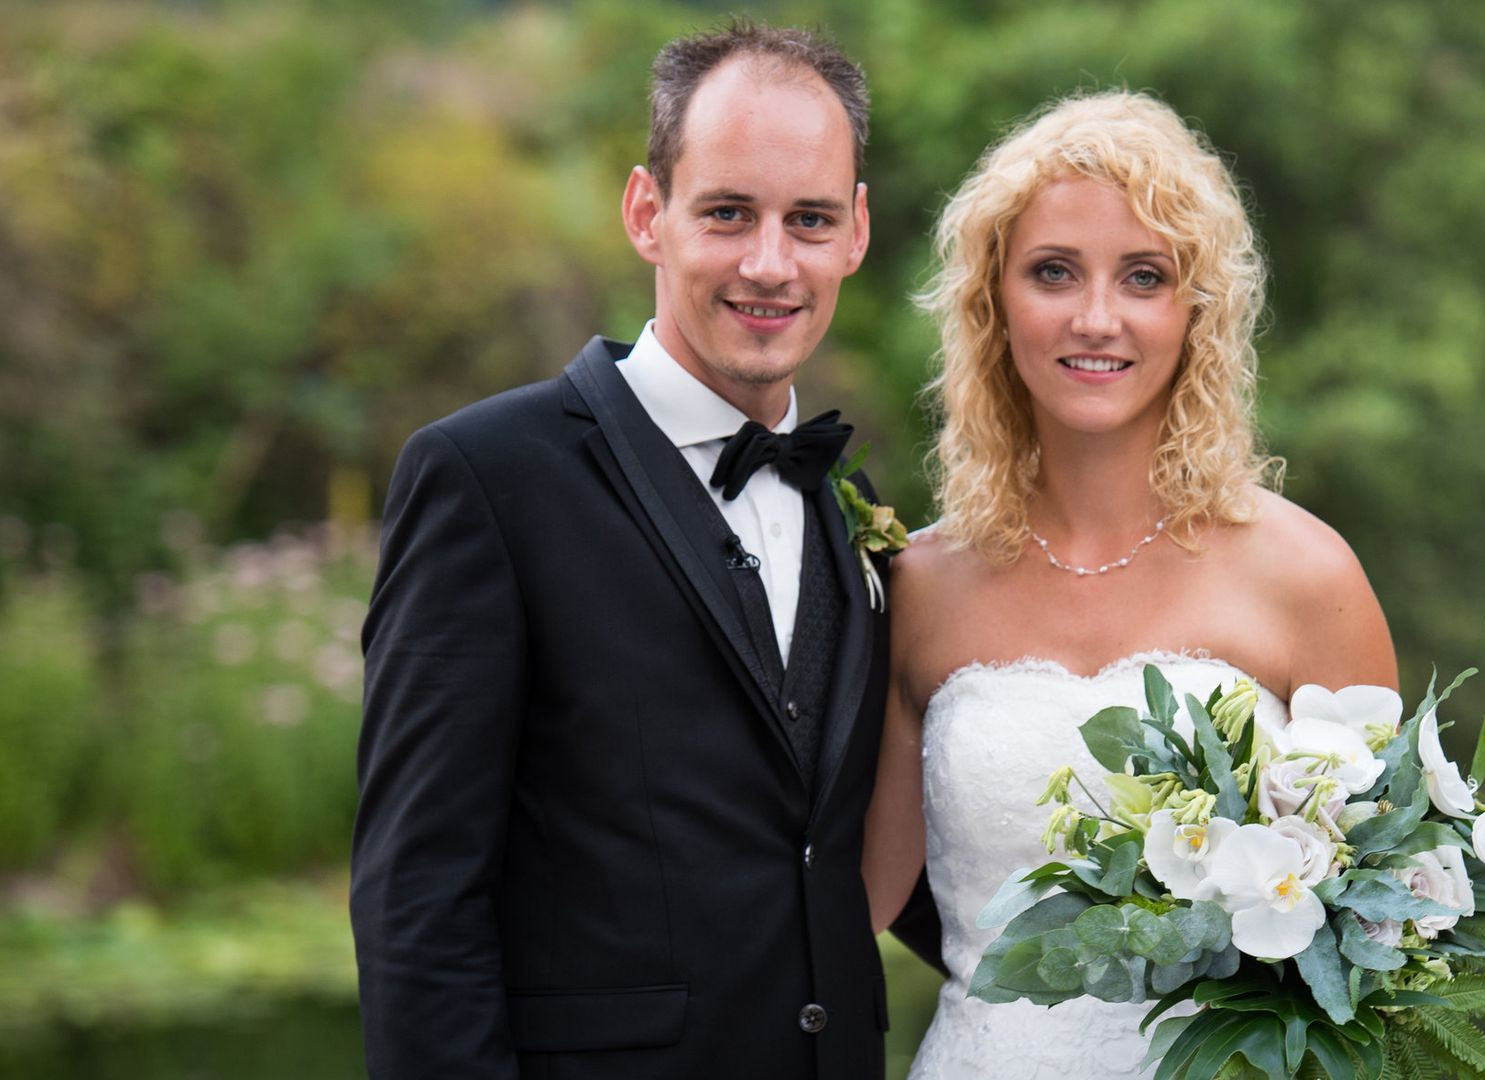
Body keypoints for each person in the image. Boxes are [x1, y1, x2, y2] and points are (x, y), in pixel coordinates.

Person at [353, 21, 929, 1079]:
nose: (770, 263)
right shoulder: (485, 478)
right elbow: (417, 898)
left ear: (854, 232)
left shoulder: (856, 509)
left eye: (807, 220)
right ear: (645, 212)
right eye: (726, 213)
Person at [861, 91, 1400, 1077]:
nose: (1095, 317)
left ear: (1196, 310)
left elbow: (1380, 944)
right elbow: (841, 917)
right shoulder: (921, 588)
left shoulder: (1307, 577)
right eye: (1053, 272)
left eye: (1143, 277)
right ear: (992, 303)